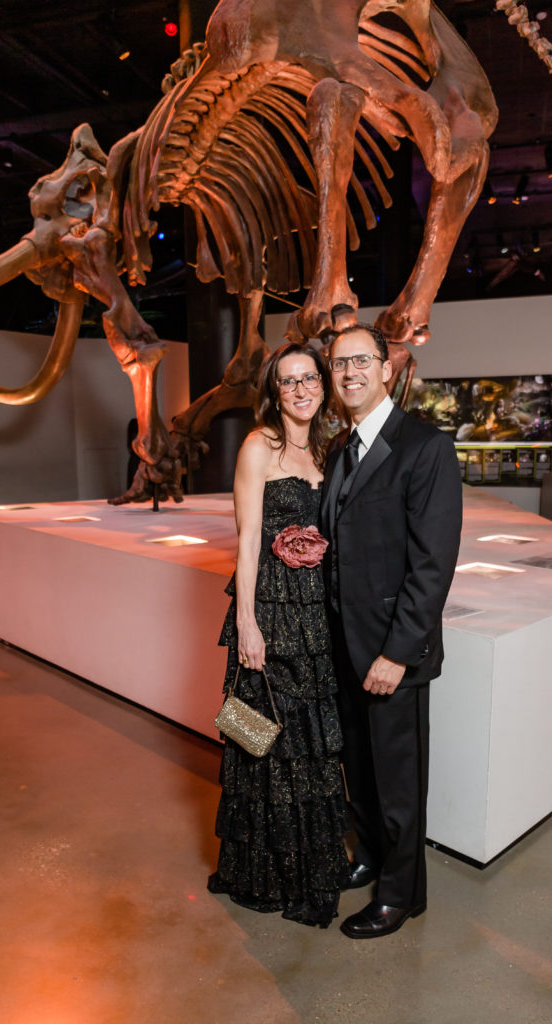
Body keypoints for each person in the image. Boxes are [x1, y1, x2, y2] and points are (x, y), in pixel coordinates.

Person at [321, 322, 462, 939]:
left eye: (360, 361)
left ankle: (401, 897)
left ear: (386, 367)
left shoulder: (424, 446)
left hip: (390, 655)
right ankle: (374, 859)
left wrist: (397, 654)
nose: (348, 373)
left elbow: (433, 567)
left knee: (399, 784)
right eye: (338, 365)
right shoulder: (338, 449)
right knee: (362, 771)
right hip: (343, 647)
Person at [208, 342, 351, 927]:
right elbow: (244, 540)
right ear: (275, 391)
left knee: (313, 746)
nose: (300, 389)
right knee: (265, 740)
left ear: (323, 383)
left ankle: (316, 865)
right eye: (288, 381)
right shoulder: (258, 445)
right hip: (269, 609)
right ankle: (273, 875)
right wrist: (247, 623)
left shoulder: (329, 446)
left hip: (316, 613)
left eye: (308, 378)